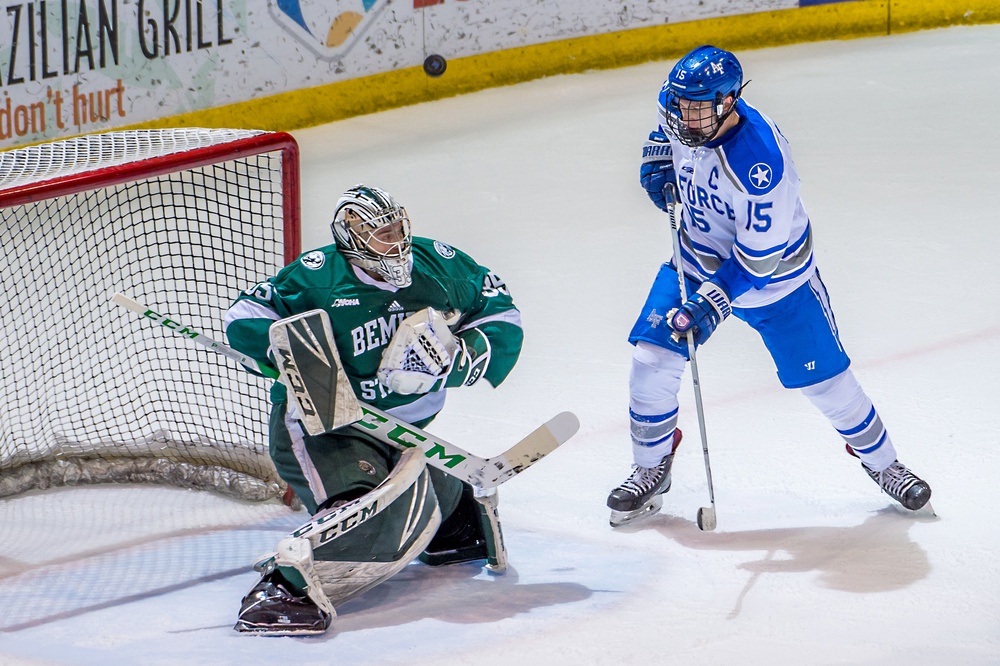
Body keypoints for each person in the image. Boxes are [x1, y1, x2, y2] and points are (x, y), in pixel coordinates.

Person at [607, 45, 931, 525]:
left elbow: (759, 260)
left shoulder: (761, 167)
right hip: (694, 260)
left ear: (729, 101)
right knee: (651, 361)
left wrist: (711, 303)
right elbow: (665, 130)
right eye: (679, 106)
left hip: (775, 285)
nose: (684, 118)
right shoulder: (682, 110)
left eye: (697, 109)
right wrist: (656, 158)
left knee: (828, 386)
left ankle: (885, 465)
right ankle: (651, 467)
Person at [224, 184, 523, 634]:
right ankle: (282, 591)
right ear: (353, 238)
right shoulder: (316, 278)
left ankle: (452, 528)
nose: (394, 241)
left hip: (406, 428)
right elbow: (244, 315)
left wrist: (460, 356)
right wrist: (284, 350)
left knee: (430, 494)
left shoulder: (438, 264)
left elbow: (502, 314)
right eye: (380, 233)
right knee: (362, 507)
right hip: (326, 428)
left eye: (396, 228)